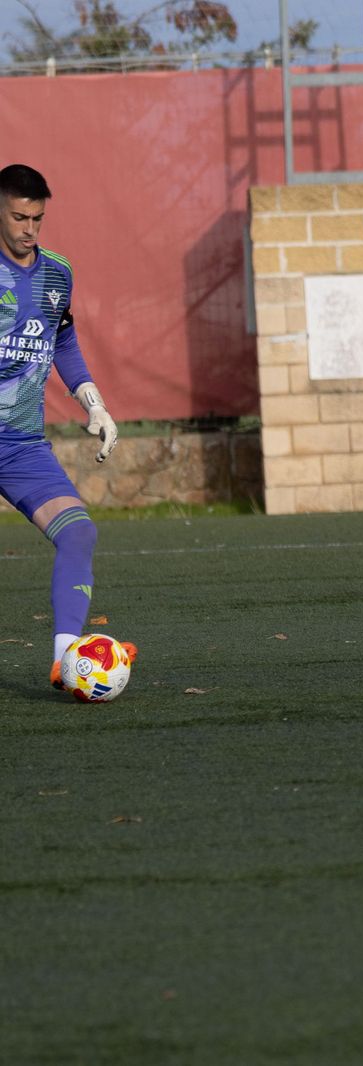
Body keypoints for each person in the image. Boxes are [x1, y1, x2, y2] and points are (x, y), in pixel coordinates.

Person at [0, 163, 134, 688]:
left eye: (37, 218)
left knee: (78, 533)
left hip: (20, 446)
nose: (28, 228)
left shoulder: (58, 273)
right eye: (17, 216)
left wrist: (93, 402)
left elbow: (62, 339)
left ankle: (66, 659)